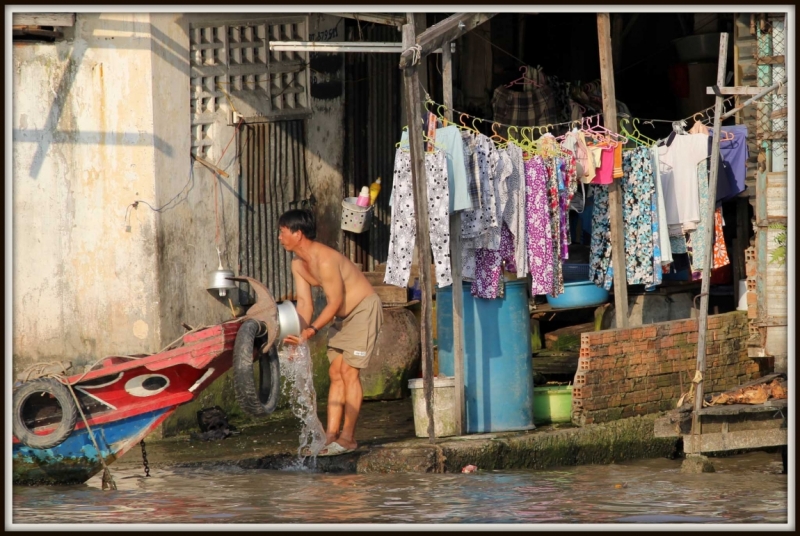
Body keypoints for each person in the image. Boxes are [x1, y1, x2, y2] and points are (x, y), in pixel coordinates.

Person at [278, 208, 383, 456]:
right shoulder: (298, 263)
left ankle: (348, 439)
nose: (280, 238)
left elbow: (334, 302)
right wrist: (297, 339)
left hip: (363, 309)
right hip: (342, 318)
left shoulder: (324, 259)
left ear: (298, 233)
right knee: (335, 371)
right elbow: (305, 305)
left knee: (348, 371)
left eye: (282, 232)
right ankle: (330, 438)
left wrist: (312, 331)